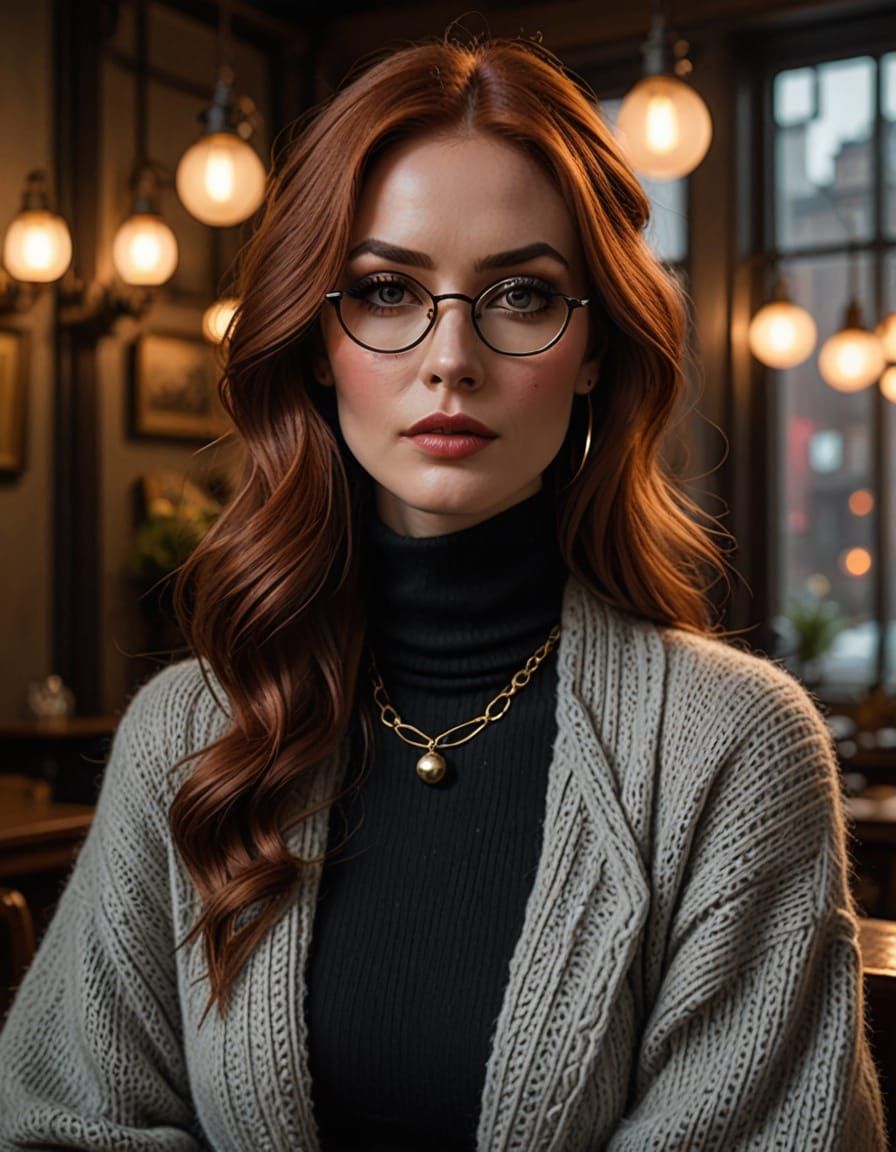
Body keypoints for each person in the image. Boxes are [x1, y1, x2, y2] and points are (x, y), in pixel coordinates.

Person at [0, 31, 887, 1152]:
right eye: (385, 289)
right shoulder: (187, 734)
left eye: (520, 293)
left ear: (599, 347)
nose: (449, 355)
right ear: (319, 340)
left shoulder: (732, 750)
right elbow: (57, 1124)